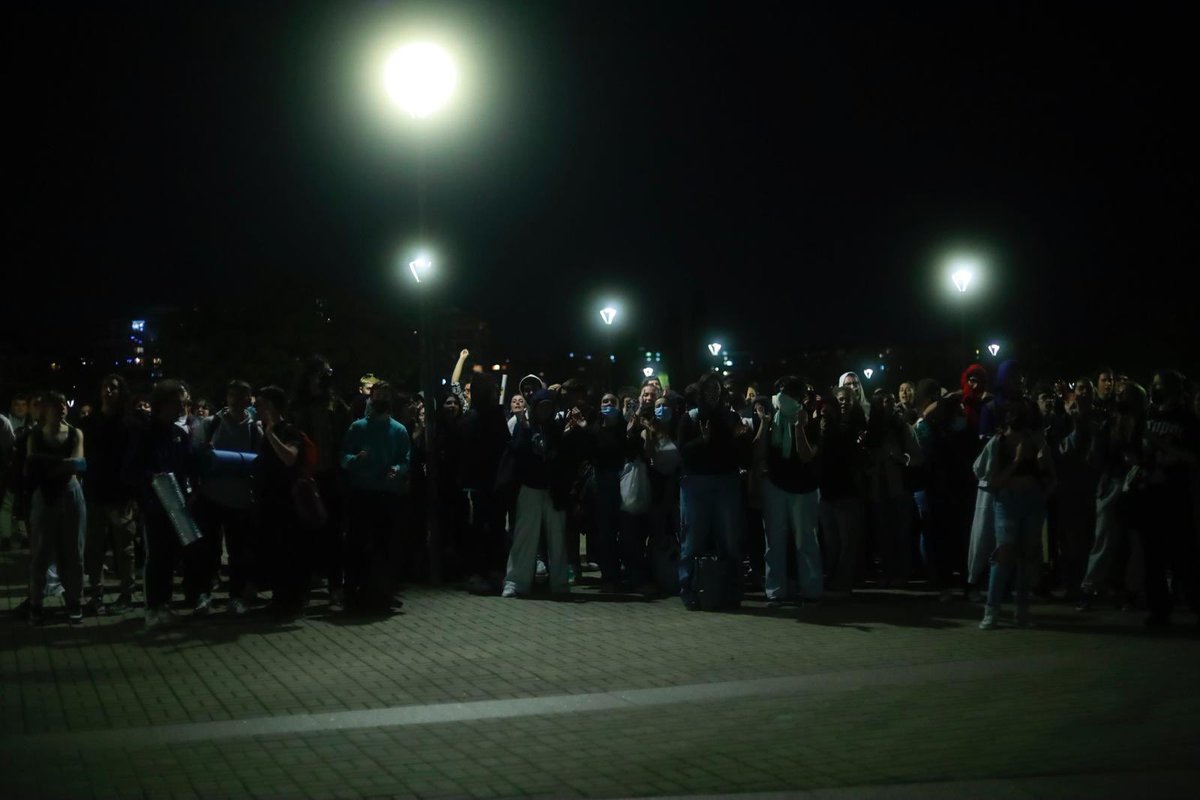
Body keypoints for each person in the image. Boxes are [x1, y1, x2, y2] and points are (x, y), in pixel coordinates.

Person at [122, 380, 197, 630]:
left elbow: (186, 468)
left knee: (170, 555)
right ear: (163, 403)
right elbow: (131, 469)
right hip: (154, 503)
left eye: (185, 403)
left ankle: (164, 604)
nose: (183, 407)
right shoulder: (145, 433)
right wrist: (150, 482)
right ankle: (152, 607)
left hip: (176, 503)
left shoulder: (179, 434)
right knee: (155, 555)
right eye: (179, 402)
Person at [503, 388, 589, 598]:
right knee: (525, 537)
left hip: (553, 490)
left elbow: (567, 459)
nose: (545, 411)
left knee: (557, 538)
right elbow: (516, 455)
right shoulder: (524, 427)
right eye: (541, 406)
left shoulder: (557, 430)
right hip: (530, 488)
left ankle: (559, 583)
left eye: (548, 407)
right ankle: (516, 582)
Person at [979, 398, 1057, 629]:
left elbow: (1052, 478)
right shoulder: (999, 442)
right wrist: (1016, 461)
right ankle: (991, 609)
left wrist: (1040, 492)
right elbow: (991, 480)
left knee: (1026, 556)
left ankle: (1021, 610)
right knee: (1005, 553)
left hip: (1032, 501)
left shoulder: (1037, 441)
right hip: (1008, 501)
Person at [188, 380, 262, 616]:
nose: (237, 400)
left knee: (238, 551)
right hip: (211, 497)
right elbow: (196, 456)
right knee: (208, 551)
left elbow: (259, 463)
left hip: (240, 499)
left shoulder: (253, 429)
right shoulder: (212, 423)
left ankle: (236, 596)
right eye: (233, 395)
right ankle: (204, 594)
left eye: (242, 396)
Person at [676, 373, 749, 609]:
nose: (713, 394)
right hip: (696, 483)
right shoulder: (689, 418)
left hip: (726, 481)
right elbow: (682, 452)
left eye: (717, 389)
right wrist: (702, 441)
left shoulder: (730, 417)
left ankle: (731, 589)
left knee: (729, 538)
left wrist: (741, 438)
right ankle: (689, 588)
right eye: (708, 390)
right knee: (692, 539)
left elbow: (741, 454)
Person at [341, 381, 411, 613]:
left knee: (385, 547)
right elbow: (343, 457)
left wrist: (397, 470)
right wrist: (355, 460)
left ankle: (383, 593)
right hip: (362, 492)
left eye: (384, 395)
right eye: (377, 394)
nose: (380, 399)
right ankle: (353, 593)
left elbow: (405, 459)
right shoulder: (357, 427)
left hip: (386, 494)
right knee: (357, 545)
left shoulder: (399, 430)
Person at [1078, 380, 1147, 610]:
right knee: (1105, 537)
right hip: (1115, 482)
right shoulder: (1112, 422)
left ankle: (1130, 589)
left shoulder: (1142, 422)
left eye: (1125, 394)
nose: (1119, 396)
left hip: (1136, 484)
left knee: (1133, 541)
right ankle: (1091, 586)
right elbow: (1100, 456)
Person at [290, 355, 352, 609]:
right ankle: (303, 591)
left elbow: (345, 436)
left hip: (331, 477)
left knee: (334, 535)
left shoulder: (336, 405)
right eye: (322, 373)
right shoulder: (298, 407)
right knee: (306, 536)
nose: (327, 377)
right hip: (307, 478)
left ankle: (336, 587)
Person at [755, 376, 822, 606]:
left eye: (789, 395)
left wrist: (799, 427)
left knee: (806, 542)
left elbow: (806, 455)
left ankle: (811, 590)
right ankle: (775, 591)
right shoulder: (771, 419)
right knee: (774, 541)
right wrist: (763, 424)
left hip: (803, 488)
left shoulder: (810, 420)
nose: (782, 399)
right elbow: (760, 452)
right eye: (780, 394)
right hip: (775, 484)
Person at [1140, 370, 1199, 627]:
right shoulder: (1150, 414)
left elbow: (1192, 456)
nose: (1156, 389)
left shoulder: (1186, 419)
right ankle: (1159, 609)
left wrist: (1163, 447)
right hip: (1151, 493)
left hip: (1176, 493)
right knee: (1153, 556)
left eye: (1160, 385)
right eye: (1153, 385)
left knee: (1183, 555)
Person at [25, 392, 87, 625]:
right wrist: (62, 465)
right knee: (41, 552)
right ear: (45, 409)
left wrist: (46, 463)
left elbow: (78, 464)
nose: (61, 408)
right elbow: (32, 463)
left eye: (63, 404)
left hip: (70, 495)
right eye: (55, 404)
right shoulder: (36, 434)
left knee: (73, 552)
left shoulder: (75, 433)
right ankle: (36, 603)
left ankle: (74, 601)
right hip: (45, 495)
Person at [80, 374, 138, 615]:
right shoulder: (90, 422)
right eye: (105, 387)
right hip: (95, 492)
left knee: (124, 548)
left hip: (120, 494)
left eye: (113, 387)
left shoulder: (128, 423)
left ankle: (127, 593)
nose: (108, 391)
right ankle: (96, 593)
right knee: (95, 547)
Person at [254, 385, 310, 618]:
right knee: (274, 550)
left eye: (260, 404)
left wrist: (270, 435)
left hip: (287, 501)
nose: (256, 408)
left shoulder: (289, 431)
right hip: (268, 499)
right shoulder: (263, 430)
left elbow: (290, 458)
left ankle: (293, 599)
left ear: (271, 407)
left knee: (289, 550)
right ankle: (280, 597)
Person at [453, 373, 510, 594]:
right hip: (480, 484)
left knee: (492, 528)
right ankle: (480, 572)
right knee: (481, 528)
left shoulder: (490, 416)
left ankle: (493, 571)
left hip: (492, 482)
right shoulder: (473, 418)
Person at [865, 389, 923, 587]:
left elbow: (916, 456)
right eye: (882, 402)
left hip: (899, 488)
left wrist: (902, 459)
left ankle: (902, 573)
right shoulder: (871, 430)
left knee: (901, 533)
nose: (886, 405)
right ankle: (888, 572)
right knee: (883, 534)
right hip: (878, 489)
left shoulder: (901, 426)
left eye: (889, 401)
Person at [819, 386, 868, 596]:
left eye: (847, 399)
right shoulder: (828, 424)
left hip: (847, 491)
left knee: (847, 542)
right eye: (840, 399)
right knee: (832, 542)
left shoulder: (858, 426)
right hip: (828, 490)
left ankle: (844, 581)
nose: (843, 402)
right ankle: (832, 578)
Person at [1, 393, 32, 551]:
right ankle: (5, 537)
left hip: (26, 469)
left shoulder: (32, 423)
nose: (20, 408)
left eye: (23, 404)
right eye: (16, 404)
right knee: (7, 503)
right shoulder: (4, 422)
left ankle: (26, 536)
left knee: (24, 505)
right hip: (9, 468)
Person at [960, 364, 990, 438]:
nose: (976, 385)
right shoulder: (958, 399)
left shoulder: (988, 401)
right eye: (973, 381)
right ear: (967, 380)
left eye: (980, 382)